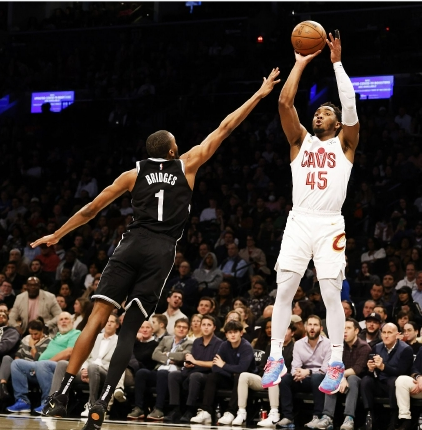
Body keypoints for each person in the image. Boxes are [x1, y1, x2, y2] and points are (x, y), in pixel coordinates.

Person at [35, 68, 280, 428]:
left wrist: (57, 234)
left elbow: (91, 209)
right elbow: (225, 128)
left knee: (96, 318)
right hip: (161, 251)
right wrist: (259, 95)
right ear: (171, 150)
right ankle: (102, 402)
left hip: (130, 244)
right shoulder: (188, 163)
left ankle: (62, 393)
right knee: (129, 329)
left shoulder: (132, 174)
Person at [264, 31, 360, 395]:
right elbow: (285, 103)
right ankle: (275, 355)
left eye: (326, 113)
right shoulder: (299, 142)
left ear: (336, 124)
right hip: (299, 220)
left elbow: (350, 107)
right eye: (317, 112)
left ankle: (336, 361)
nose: (319, 115)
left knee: (331, 293)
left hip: (330, 223)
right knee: (284, 289)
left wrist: (336, 63)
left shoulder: (346, 144)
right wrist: (300, 62)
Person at [6, 312, 81, 414]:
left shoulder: (75, 333)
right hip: (41, 365)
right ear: (57, 323)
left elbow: (69, 352)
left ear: (72, 322)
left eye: (66, 319)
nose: (63, 321)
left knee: (42, 365)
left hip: (61, 367)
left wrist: (45, 363)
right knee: (17, 363)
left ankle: (48, 403)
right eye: (61, 319)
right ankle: (22, 401)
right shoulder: (57, 335)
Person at [49, 314, 120, 417]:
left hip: (105, 372)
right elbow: (85, 356)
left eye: (112, 322)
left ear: (117, 325)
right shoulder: (95, 337)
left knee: (93, 367)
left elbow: (116, 363)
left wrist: (92, 370)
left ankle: (91, 405)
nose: (108, 323)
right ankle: (54, 402)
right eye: (107, 321)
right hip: (87, 369)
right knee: (62, 364)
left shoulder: (119, 341)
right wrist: (83, 368)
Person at [190, 320, 255, 424]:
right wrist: (230, 372)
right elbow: (216, 366)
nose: (233, 335)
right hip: (230, 378)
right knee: (213, 376)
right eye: (230, 332)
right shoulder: (224, 345)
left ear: (241, 333)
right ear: (226, 334)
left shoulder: (246, 347)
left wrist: (224, 365)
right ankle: (206, 411)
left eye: (235, 332)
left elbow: (242, 368)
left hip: (246, 382)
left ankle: (230, 412)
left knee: (239, 376)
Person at [127, 317, 193, 421]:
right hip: (158, 370)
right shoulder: (166, 339)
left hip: (174, 373)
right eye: (179, 327)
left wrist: (167, 354)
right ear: (174, 328)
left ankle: (159, 409)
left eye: (184, 327)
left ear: (188, 330)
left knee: (163, 373)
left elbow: (184, 356)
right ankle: (139, 408)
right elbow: (155, 354)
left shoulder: (190, 343)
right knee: (141, 372)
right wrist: (169, 360)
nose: (181, 329)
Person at [311, 318, 371, 430]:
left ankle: (349, 418)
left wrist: (341, 376)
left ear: (357, 331)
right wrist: (341, 377)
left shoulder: (364, 347)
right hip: (341, 378)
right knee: (331, 377)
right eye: (343, 329)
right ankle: (327, 417)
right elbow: (333, 365)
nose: (344, 331)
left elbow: (357, 369)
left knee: (352, 378)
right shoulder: (338, 347)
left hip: (359, 380)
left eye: (348, 328)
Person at [164, 315, 222, 423]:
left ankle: (190, 410)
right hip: (193, 370)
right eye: (203, 325)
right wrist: (188, 363)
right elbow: (192, 359)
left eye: (209, 325)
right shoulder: (196, 342)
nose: (205, 327)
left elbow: (215, 364)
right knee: (174, 375)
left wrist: (195, 362)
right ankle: (175, 409)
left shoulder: (219, 343)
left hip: (208, 375)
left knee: (195, 376)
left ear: (214, 327)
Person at [277, 315, 331, 429]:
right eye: (310, 325)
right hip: (303, 378)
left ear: (321, 329)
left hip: (321, 379)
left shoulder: (328, 344)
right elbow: (294, 366)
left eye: (315, 325)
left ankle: (317, 416)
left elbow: (326, 369)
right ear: (305, 327)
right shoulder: (298, 344)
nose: (312, 328)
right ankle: (288, 417)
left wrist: (309, 372)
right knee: (285, 378)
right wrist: (298, 374)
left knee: (317, 377)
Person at [360, 322, 414, 430]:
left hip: (396, 386)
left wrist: (383, 367)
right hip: (380, 383)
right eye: (384, 332)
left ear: (397, 335)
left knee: (394, 381)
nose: (386, 335)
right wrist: (371, 369)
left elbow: (402, 372)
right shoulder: (376, 347)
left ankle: (394, 419)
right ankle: (369, 415)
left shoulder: (406, 349)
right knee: (366, 380)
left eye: (389, 332)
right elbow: (372, 373)